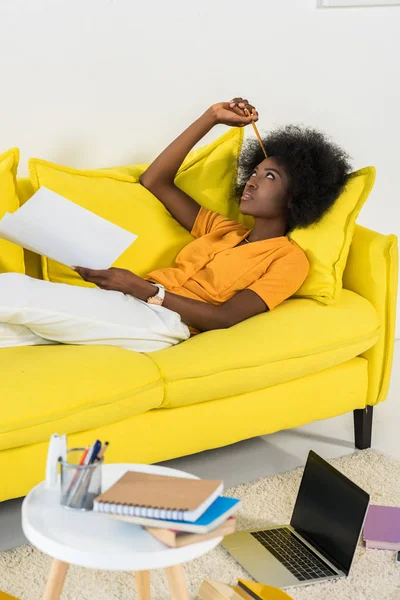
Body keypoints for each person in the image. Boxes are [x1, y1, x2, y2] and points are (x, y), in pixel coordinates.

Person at [0, 98, 351, 352]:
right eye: (254, 173)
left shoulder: (289, 260)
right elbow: (156, 181)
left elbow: (225, 318)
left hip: (164, 323)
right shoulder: (223, 230)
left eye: (269, 177)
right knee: (11, 331)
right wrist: (211, 116)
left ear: (296, 197)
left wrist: (146, 291)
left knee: (15, 291)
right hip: (127, 303)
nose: (252, 182)